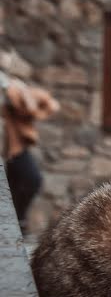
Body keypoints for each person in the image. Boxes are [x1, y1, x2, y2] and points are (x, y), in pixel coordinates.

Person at [2, 70, 59, 229]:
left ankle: (17, 220)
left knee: (23, 183)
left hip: (14, 150)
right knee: (30, 180)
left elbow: (50, 106)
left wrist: (22, 90)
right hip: (11, 151)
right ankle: (17, 220)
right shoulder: (12, 92)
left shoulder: (16, 91)